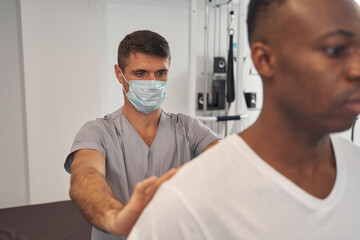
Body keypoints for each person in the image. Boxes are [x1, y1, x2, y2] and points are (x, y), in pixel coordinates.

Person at [128, 0, 360, 239]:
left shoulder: (355, 170)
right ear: (265, 59)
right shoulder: (184, 206)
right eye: (335, 50)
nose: (357, 69)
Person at [64, 30, 220, 240]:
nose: (152, 82)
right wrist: (116, 218)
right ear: (119, 74)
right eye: (140, 73)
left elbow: (226, 159)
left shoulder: (188, 128)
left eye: (160, 73)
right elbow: (85, 175)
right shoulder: (98, 132)